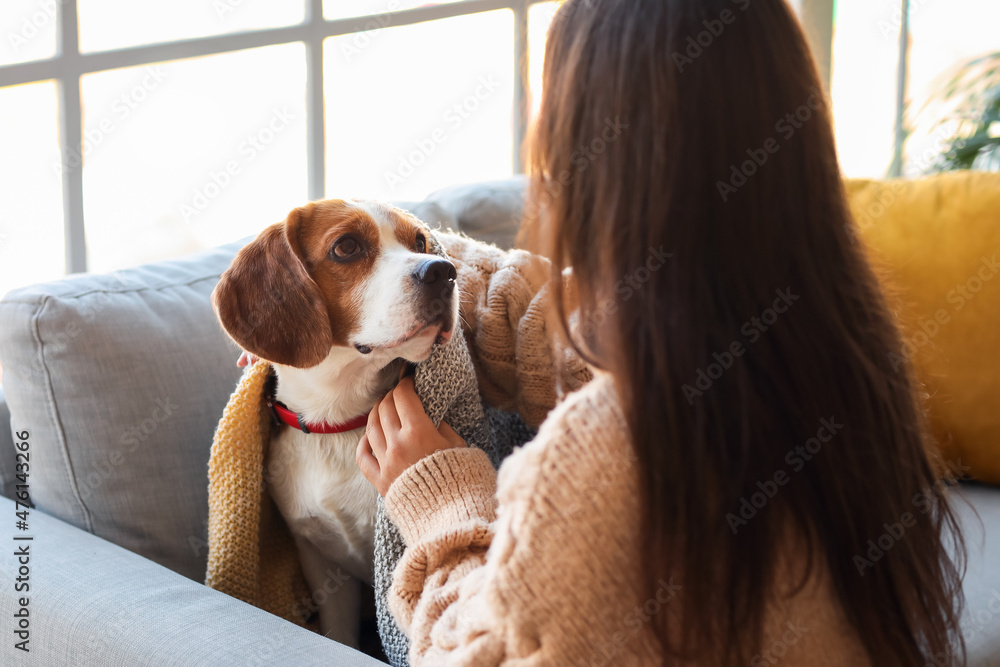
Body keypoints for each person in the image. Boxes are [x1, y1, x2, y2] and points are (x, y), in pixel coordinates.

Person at [356, 0, 967, 664]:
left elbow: (475, 658)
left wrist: (445, 503)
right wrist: (403, 268)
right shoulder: (844, 358)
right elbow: (562, 335)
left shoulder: (602, 455)